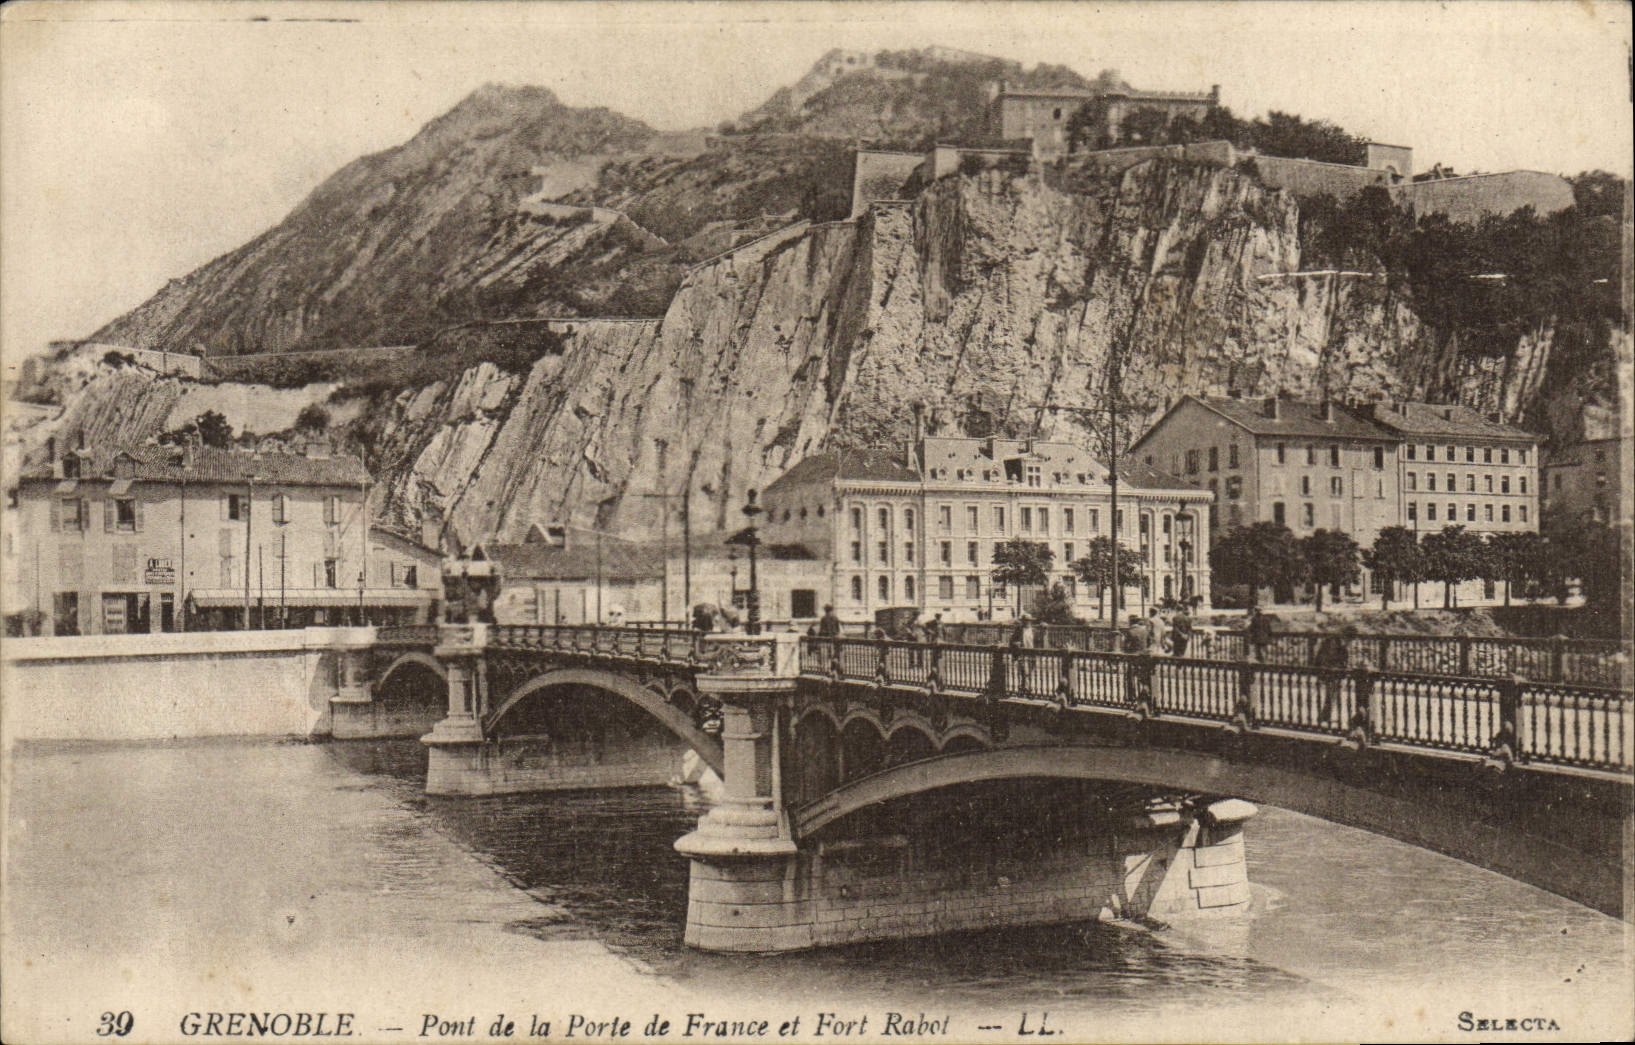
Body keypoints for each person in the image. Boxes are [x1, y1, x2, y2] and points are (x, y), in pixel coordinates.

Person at [1314, 625, 1352, 724]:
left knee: (1332, 694)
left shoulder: (1335, 640)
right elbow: (1330, 657)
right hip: (1330, 671)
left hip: (1331, 670)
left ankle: (1325, 715)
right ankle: (1324, 715)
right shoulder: (1335, 641)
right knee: (1331, 694)